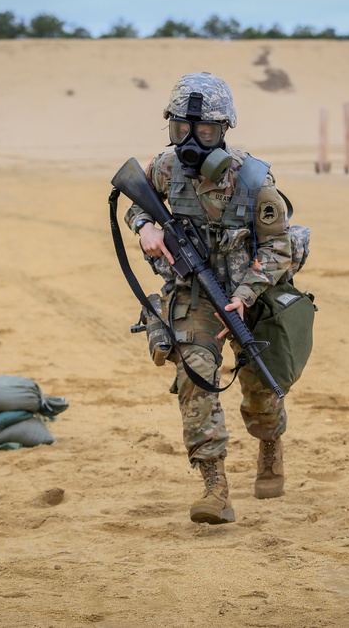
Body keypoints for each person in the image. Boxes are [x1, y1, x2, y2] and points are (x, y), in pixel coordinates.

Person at [124, 72, 293, 524]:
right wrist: (145, 227)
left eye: (203, 131)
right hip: (194, 295)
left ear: (222, 132)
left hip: (247, 297)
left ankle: (269, 442)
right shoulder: (163, 168)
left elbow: (280, 247)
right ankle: (215, 486)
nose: (192, 141)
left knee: (261, 384)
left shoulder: (254, 179)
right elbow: (135, 201)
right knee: (194, 374)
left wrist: (244, 294)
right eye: (182, 129)